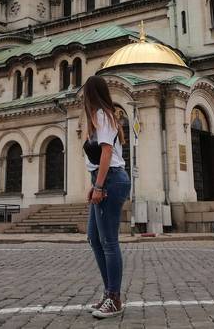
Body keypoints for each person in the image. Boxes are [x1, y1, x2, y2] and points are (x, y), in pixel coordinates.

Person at [81, 75, 130, 319]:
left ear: (92, 94)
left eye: (85, 93)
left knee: (108, 241)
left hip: (111, 179)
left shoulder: (102, 115)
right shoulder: (98, 117)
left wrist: (99, 186)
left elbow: (107, 153)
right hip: (103, 179)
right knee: (94, 238)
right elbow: (98, 157)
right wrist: (94, 184)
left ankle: (114, 297)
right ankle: (110, 292)